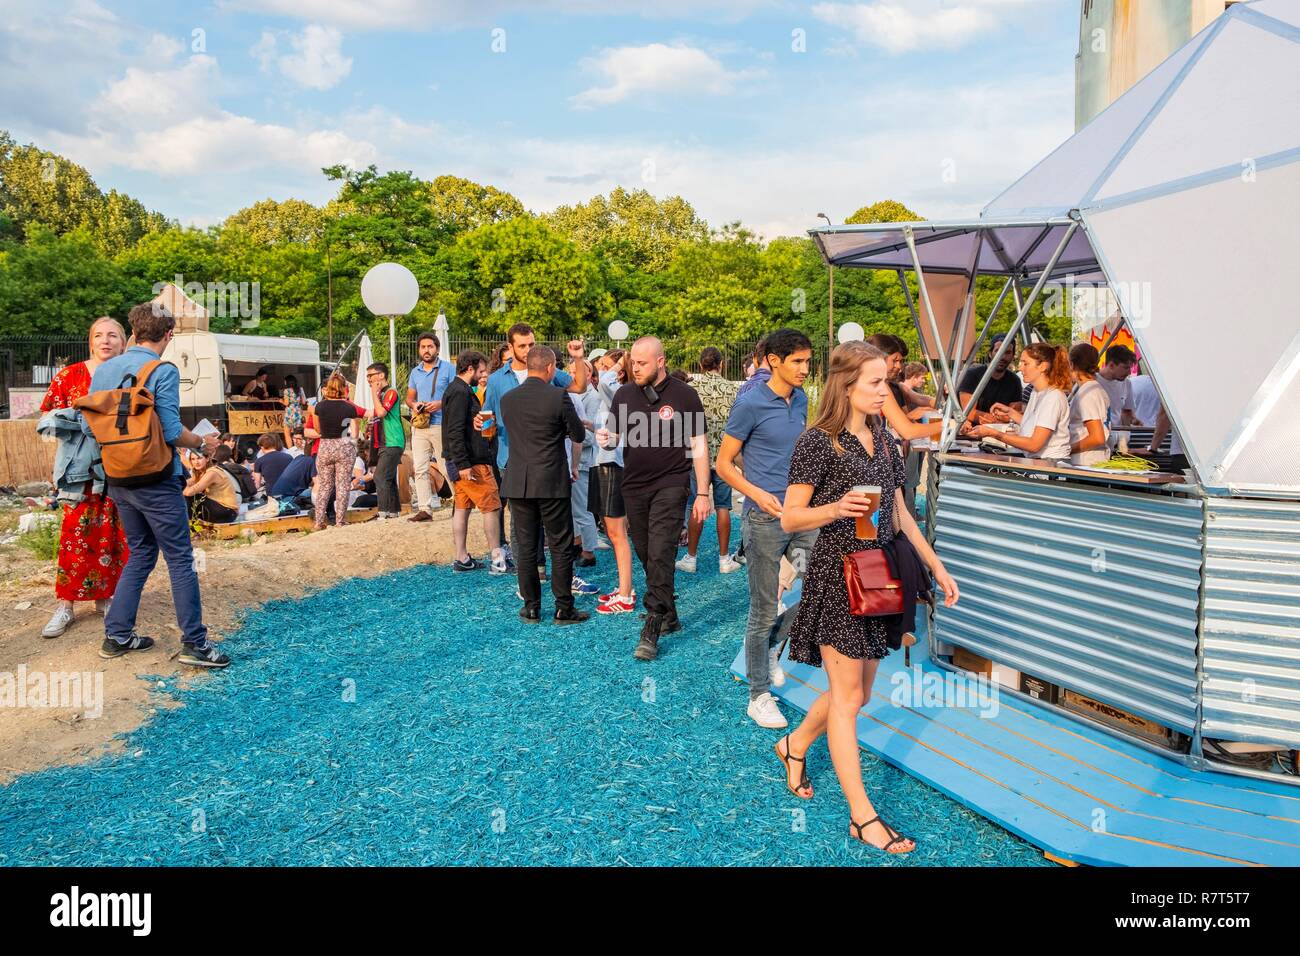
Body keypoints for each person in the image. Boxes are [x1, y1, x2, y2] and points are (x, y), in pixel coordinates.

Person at [778, 341, 959, 852]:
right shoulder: (818, 442)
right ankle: (862, 817)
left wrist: (936, 565)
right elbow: (791, 517)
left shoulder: (881, 434)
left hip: (879, 576)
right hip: (838, 579)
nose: (887, 391)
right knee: (848, 700)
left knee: (858, 693)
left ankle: (793, 746)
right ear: (847, 384)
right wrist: (836, 507)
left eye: (887, 380)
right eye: (877, 382)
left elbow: (898, 511)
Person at [88, 303, 229, 668]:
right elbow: (170, 431)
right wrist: (202, 444)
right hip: (157, 477)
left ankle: (117, 634)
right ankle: (195, 644)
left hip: (118, 476)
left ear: (133, 332)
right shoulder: (162, 369)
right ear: (169, 335)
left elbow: (91, 427)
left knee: (140, 552)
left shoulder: (104, 370)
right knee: (180, 558)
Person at [716, 328, 817, 728]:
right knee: (761, 611)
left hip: (802, 512)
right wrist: (757, 493)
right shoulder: (750, 402)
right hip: (763, 519)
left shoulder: (803, 399)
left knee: (819, 588)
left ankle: (775, 644)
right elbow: (724, 463)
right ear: (773, 360)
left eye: (808, 361)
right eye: (798, 361)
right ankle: (758, 695)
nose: (805, 369)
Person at [597, 336, 711, 660]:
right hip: (633, 485)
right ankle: (670, 613)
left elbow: (699, 445)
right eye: (632, 362)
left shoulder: (684, 395)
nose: (635, 367)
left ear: (660, 361)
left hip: (672, 483)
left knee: (661, 551)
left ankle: (652, 626)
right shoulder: (624, 394)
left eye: (642, 363)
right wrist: (607, 439)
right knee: (648, 553)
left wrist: (702, 492)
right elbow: (616, 437)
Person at [37, 316, 130, 639]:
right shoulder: (70, 375)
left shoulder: (129, 376)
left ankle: (107, 599)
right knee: (74, 535)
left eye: (113, 335)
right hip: (79, 473)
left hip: (119, 467)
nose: (106, 341)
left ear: (124, 342)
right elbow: (47, 416)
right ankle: (66, 604)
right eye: (100, 335)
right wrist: (80, 421)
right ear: (91, 342)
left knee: (114, 535)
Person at [482, 323, 588, 580]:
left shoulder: (550, 372)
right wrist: (482, 424)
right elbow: (488, 416)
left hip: (549, 460)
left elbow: (579, 387)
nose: (529, 349)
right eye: (522, 346)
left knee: (557, 524)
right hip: (511, 459)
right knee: (521, 528)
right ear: (510, 347)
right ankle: (529, 579)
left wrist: (578, 357)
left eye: (531, 344)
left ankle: (564, 578)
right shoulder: (497, 380)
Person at [498, 346, 589, 625]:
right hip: (551, 479)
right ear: (550, 368)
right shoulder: (558, 396)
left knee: (525, 547)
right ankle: (563, 607)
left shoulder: (508, 399)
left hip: (518, 479)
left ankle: (532, 607)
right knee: (560, 544)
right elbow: (578, 432)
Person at [442, 349, 507, 573]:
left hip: (459, 459)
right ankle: (497, 558)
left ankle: (462, 557)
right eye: (480, 371)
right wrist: (463, 464)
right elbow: (455, 430)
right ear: (469, 369)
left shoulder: (456, 390)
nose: (483, 375)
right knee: (492, 506)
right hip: (470, 461)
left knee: (462, 507)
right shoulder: (461, 392)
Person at [678, 346, 742, 574]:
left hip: (697, 456)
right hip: (726, 454)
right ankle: (724, 558)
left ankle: (691, 557)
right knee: (724, 506)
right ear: (721, 364)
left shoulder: (691, 388)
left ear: (699, 364)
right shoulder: (733, 390)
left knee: (697, 504)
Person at [965, 344, 1073, 460]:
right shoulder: (1036, 393)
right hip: (1038, 463)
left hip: (1050, 466)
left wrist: (994, 433)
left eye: (1025, 363)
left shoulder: (1053, 397)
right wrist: (1011, 413)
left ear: (1043, 366)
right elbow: (1034, 424)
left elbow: (1034, 444)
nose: (1020, 368)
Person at [592, 349, 637, 615]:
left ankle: (625, 594)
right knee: (613, 532)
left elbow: (606, 379)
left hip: (614, 466)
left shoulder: (620, 392)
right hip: (605, 464)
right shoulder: (613, 394)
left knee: (617, 534)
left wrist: (622, 359)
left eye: (607, 365)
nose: (601, 369)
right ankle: (625, 588)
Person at [406, 333, 456, 520]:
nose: (426, 350)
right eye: (423, 347)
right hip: (420, 425)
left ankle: (459, 501)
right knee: (419, 468)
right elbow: (409, 397)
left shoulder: (448, 369)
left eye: (430, 346)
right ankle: (425, 508)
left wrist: (439, 403)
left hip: (441, 424)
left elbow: (456, 393)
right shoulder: (415, 372)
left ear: (437, 348)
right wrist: (414, 405)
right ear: (419, 349)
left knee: (445, 466)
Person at [312, 372, 366, 529]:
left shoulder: (319, 406)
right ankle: (340, 521)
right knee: (342, 485)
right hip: (343, 445)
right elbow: (359, 423)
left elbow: (318, 429)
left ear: (327, 388)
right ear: (344, 388)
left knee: (324, 485)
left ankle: (318, 522)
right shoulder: (349, 407)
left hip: (325, 446)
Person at [570, 361, 602, 567]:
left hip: (583, 461)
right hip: (574, 459)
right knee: (574, 509)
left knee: (583, 509)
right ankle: (579, 544)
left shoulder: (594, 397)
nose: (574, 375)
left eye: (579, 372)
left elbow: (591, 436)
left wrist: (571, 433)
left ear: (590, 374)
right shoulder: (573, 394)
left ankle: (589, 552)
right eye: (571, 372)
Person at [365, 362, 405, 519]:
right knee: (388, 477)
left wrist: (374, 394)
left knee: (380, 476)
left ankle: (383, 512)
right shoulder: (381, 394)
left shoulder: (391, 392)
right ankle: (394, 512)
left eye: (370, 376)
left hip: (392, 441)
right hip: (383, 442)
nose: (368, 380)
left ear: (381, 375)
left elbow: (381, 412)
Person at [957, 333, 1025, 422]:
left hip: (1000, 432)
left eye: (1007, 352)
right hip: (969, 431)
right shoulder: (972, 375)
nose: (1003, 357)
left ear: (1012, 356)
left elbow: (1014, 414)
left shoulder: (1014, 380)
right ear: (990, 353)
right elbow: (968, 413)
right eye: (998, 351)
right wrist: (999, 419)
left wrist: (1006, 418)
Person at [1067, 343, 1111, 467]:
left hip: (1086, 462)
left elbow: (1097, 437)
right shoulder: (1094, 389)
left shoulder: (1088, 394)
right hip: (1092, 460)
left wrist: (1067, 449)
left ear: (1072, 364)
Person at [183, 449, 242, 523]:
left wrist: (177, 489)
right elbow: (186, 482)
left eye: (199, 458)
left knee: (193, 497)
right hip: (219, 510)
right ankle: (189, 524)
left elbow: (190, 492)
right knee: (190, 497)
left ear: (207, 459)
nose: (196, 462)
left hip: (228, 512)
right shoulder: (200, 473)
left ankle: (189, 525)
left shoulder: (212, 472)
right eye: (193, 459)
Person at [1096, 344, 1137, 428]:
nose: (1129, 373)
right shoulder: (1092, 381)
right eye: (1126, 368)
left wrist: (1133, 420)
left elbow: (1127, 411)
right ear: (1111, 365)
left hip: (1117, 435)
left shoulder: (1127, 383)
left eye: (1130, 368)